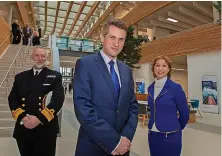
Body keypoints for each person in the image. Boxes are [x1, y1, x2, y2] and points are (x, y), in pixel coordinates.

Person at [73, 18, 139, 156]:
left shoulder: (126, 70)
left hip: (122, 148)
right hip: (93, 146)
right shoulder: (85, 65)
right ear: (102, 37)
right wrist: (114, 141)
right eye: (112, 37)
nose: (116, 44)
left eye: (121, 39)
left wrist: (124, 139)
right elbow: (83, 108)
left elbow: (132, 106)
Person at [8, 46, 64, 156]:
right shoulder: (20, 77)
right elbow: (12, 99)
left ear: (47, 58)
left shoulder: (55, 76)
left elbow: (57, 100)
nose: (40, 58)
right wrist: (23, 117)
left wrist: (39, 119)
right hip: (24, 127)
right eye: (37, 55)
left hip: (46, 128)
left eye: (43, 56)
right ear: (31, 57)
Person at [147, 56, 189, 156]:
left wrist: (176, 127)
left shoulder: (175, 88)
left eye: (164, 66)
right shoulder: (150, 88)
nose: (160, 69)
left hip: (170, 135)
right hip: (153, 134)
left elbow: (185, 113)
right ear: (153, 68)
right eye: (157, 65)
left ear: (169, 69)